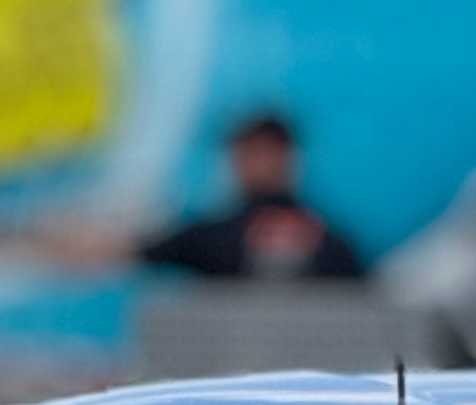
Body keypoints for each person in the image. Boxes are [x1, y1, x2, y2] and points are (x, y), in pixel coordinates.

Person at [137, 114, 361, 282]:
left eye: (257, 152)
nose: (244, 162)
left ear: (285, 157)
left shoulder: (217, 237)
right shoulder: (332, 240)